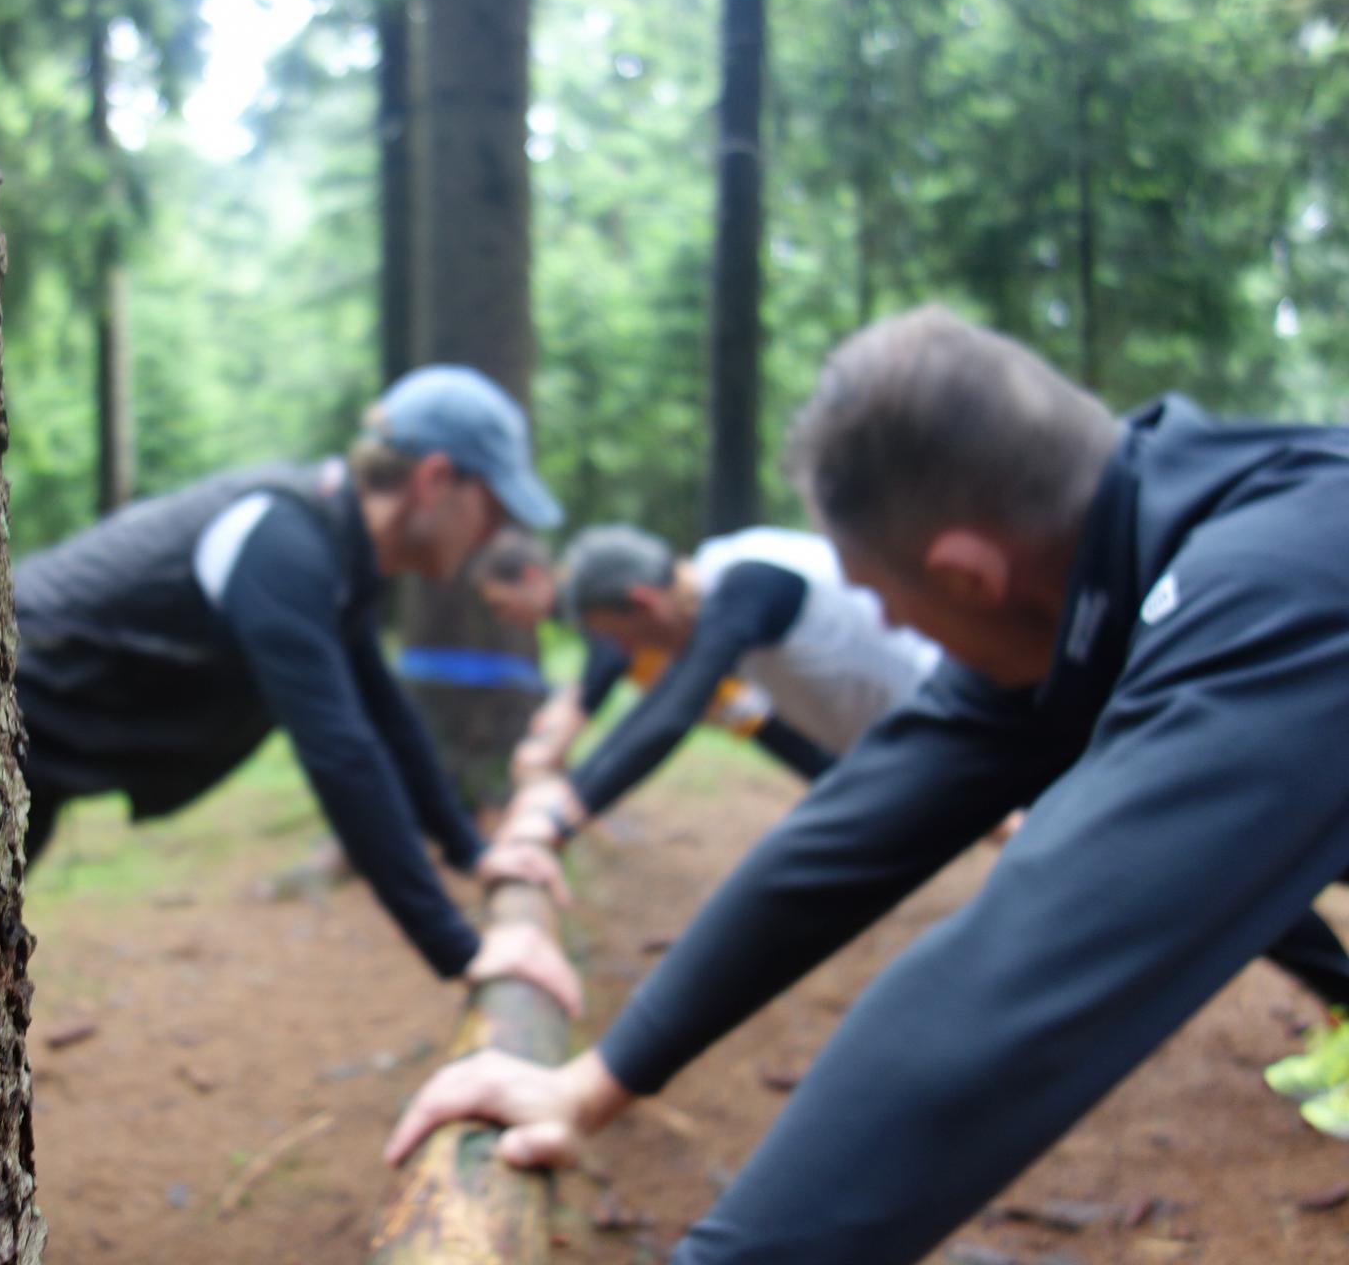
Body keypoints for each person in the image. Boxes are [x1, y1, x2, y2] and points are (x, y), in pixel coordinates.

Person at [383, 306, 1349, 1262]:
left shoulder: (1282, 586)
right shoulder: (1103, 560)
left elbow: (1024, 963)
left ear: (968, 574)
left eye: (886, 598)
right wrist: (595, 1081)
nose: (893, 628)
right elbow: (844, 838)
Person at [13, 366, 580, 1014]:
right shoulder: (281, 541)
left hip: (30, 760)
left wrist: (472, 852)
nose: (495, 535)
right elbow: (341, 752)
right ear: (434, 480)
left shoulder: (336, 552)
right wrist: (462, 950)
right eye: (494, 509)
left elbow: (385, 718)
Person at [483, 522, 940, 848]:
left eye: (623, 637)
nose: (627, 650)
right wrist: (573, 791)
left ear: (645, 601)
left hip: (951, 718)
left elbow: (676, 709)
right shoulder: (718, 592)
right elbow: (669, 701)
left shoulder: (748, 582)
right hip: (909, 744)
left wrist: (565, 813)